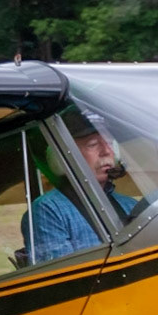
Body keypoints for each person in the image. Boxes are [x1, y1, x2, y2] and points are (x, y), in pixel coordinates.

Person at [27, 113, 138, 264]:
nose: (106, 151)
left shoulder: (130, 206)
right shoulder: (49, 209)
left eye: (109, 143)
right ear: (62, 157)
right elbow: (64, 277)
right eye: (92, 144)